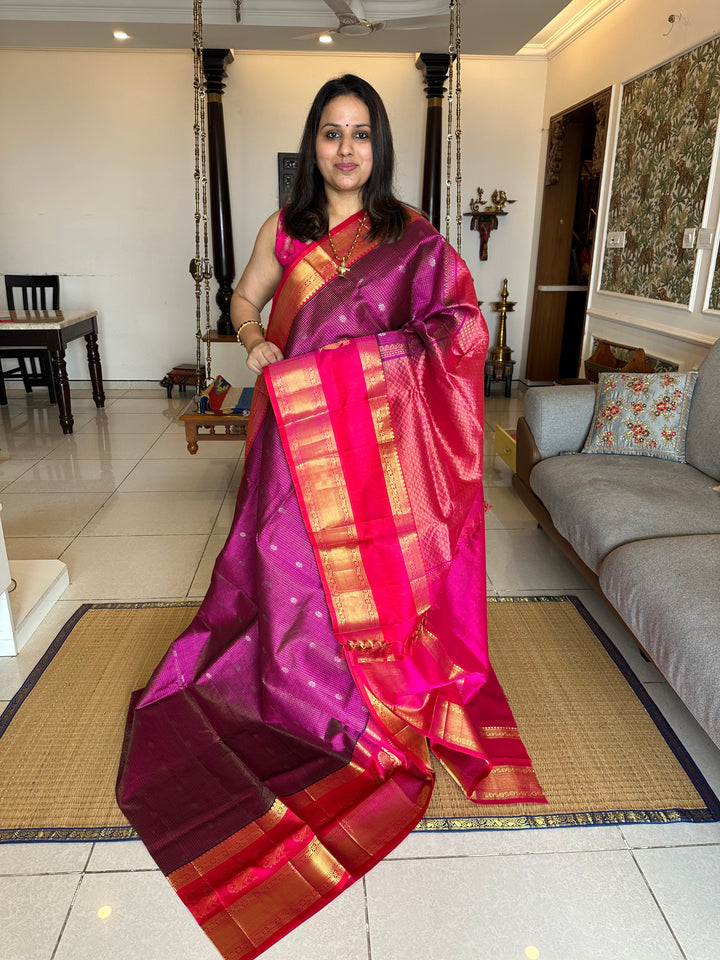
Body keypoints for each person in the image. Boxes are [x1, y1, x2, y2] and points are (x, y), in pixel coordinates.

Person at [117, 74, 544, 960]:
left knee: (365, 576)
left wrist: (368, 366)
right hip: (291, 433)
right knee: (282, 565)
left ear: (377, 147)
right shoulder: (288, 231)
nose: (345, 150)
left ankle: (360, 692)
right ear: (312, 146)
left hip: (370, 454)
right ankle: (289, 685)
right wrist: (258, 340)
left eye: (359, 135)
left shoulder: (408, 235)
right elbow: (241, 302)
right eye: (330, 134)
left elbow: (462, 329)